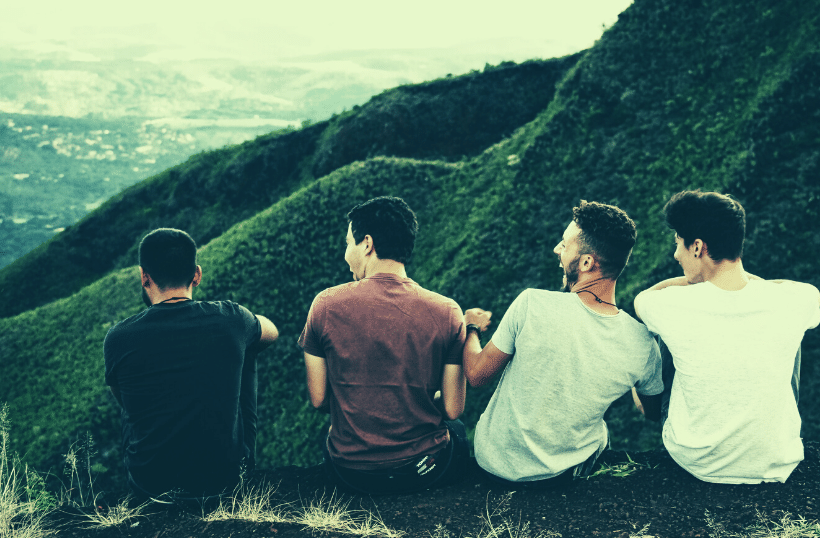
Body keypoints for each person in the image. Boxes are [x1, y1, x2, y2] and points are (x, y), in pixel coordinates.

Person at [464, 200, 663, 488]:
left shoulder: (531, 304)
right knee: (601, 433)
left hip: (494, 465)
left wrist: (471, 327)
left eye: (565, 244)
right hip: (563, 476)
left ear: (586, 263)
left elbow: (476, 375)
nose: (557, 249)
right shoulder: (642, 343)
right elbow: (652, 412)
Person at [633, 190, 820, 484]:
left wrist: (693, 282)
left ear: (697, 247)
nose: (676, 254)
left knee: (664, 332)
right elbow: (795, 289)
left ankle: (654, 412)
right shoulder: (796, 300)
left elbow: (642, 300)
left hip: (697, 460)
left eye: (678, 243)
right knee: (788, 331)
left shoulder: (670, 304)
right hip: (776, 461)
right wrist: (747, 282)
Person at [300, 196, 469, 495]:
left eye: (348, 244)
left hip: (351, 473)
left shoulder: (325, 305)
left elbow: (319, 399)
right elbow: (453, 408)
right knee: (457, 430)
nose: (346, 255)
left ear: (367, 243)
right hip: (422, 471)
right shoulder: (448, 311)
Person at [104, 228, 279, 500]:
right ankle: (243, 468)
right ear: (197, 275)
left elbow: (124, 401)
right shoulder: (231, 318)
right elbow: (272, 332)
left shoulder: (118, 338)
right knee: (249, 346)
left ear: (144, 276)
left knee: (133, 397)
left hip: (150, 486)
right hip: (222, 482)